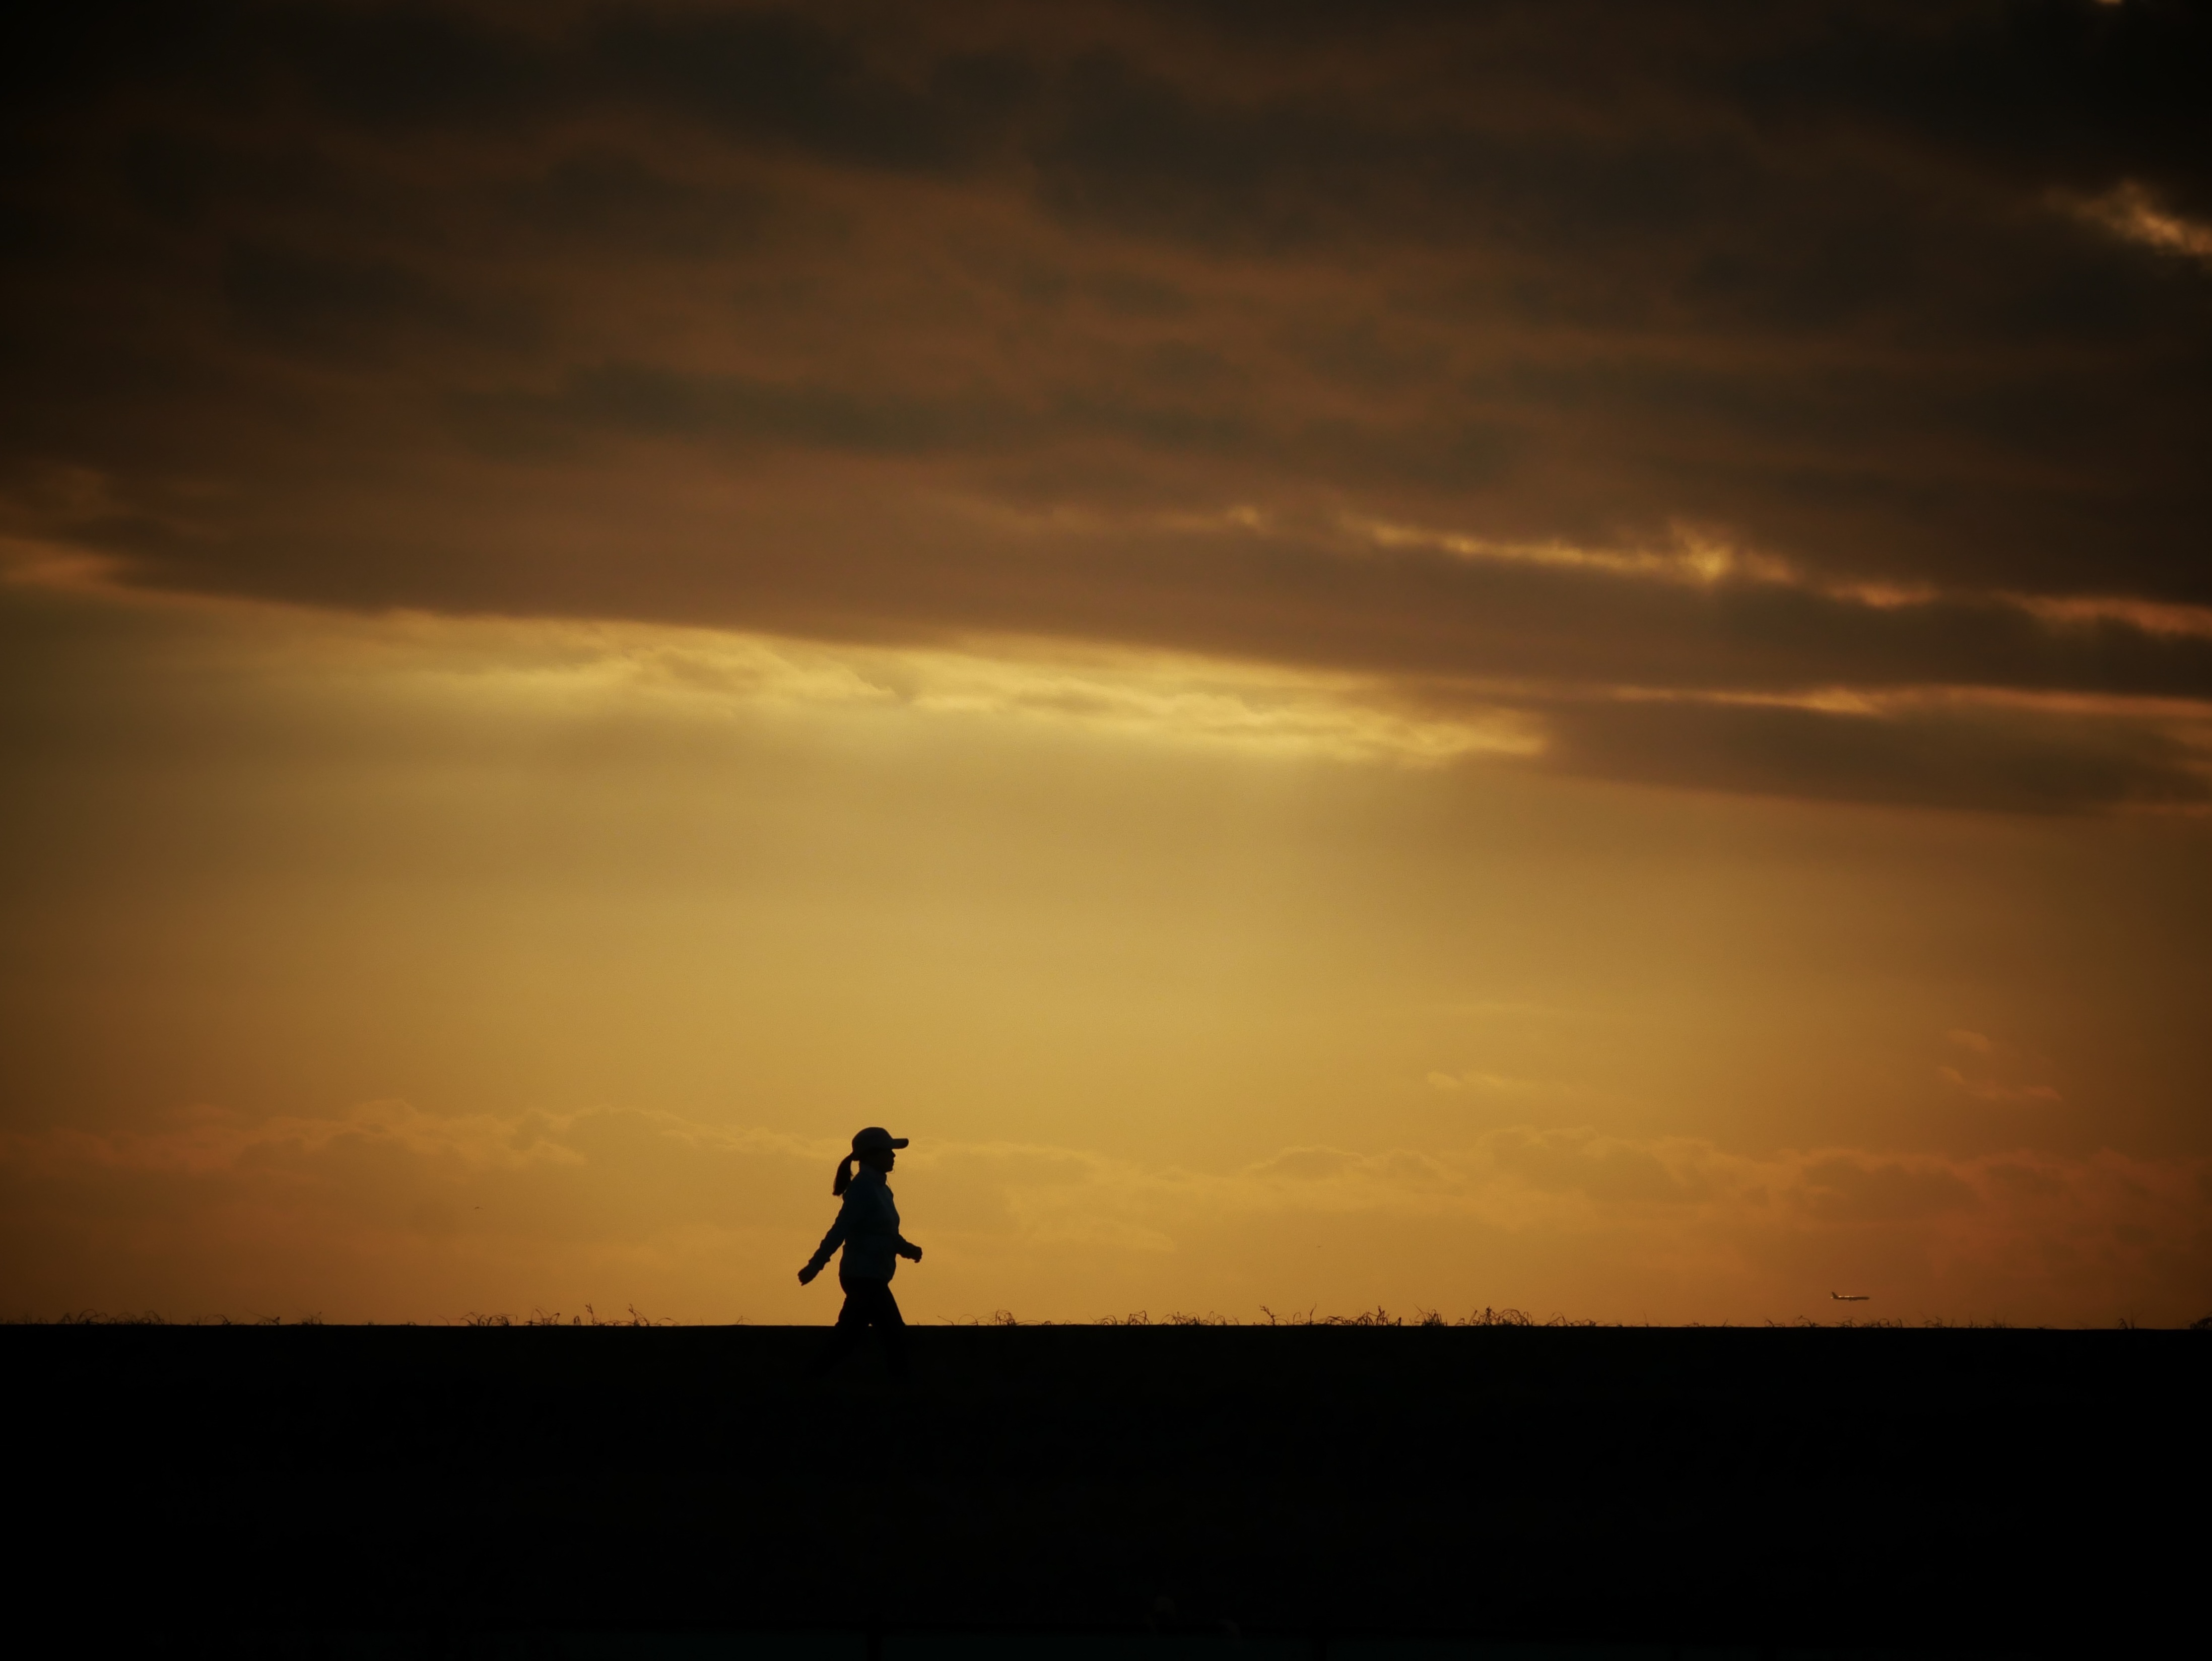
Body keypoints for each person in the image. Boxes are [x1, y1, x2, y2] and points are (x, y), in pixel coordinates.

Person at [799, 1126, 923, 1377]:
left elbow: (885, 1233)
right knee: (894, 1336)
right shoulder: (863, 1189)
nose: (893, 1156)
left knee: (849, 1336)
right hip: (863, 1277)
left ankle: (810, 1378)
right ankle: (902, 1385)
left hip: (874, 1275)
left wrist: (906, 1249)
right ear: (871, 1155)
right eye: (888, 1151)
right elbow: (840, 1230)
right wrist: (816, 1265)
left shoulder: (882, 1189)